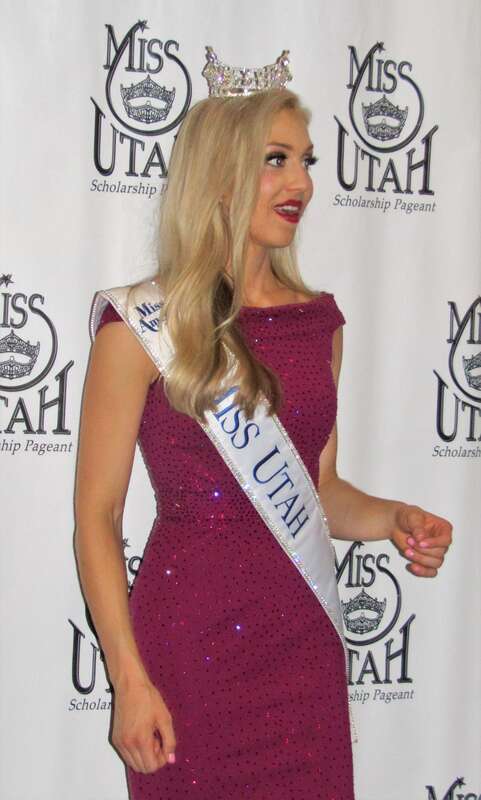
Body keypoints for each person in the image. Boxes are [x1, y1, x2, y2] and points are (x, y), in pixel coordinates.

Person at [74, 53, 452, 800]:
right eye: (275, 159)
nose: (301, 183)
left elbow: (320, 490)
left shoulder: (321, 324)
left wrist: (392, 518)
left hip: (303, 648)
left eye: (306, 161)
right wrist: (127, 678)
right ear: (218, 174)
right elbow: (98, 516)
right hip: (188, 652)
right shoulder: (138, 328)